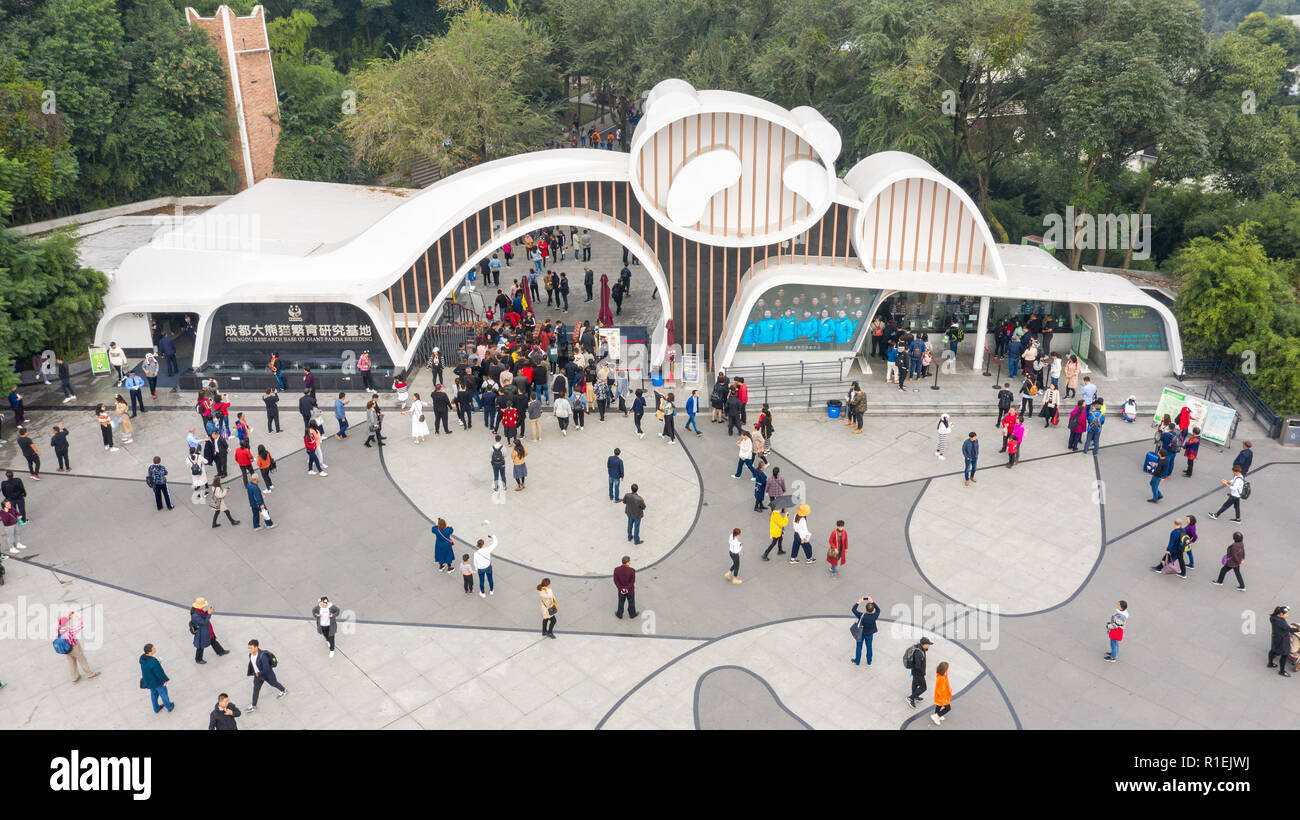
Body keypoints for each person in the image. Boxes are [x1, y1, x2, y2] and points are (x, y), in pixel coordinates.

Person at [245, 639, 287, 711]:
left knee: (274, 683)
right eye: (248, 648)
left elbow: (267, 668)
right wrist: (254, 672)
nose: (249, 650)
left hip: (267, 675)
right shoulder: (250, 655)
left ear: (256, 647)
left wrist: (258, 673)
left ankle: (284, 690)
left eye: (251, 648)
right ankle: (253, 706)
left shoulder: (263, 656)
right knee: (256, 689)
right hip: (258, 676)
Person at [57, 611, 99, 684]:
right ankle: (90, 675)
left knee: (71, 663)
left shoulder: (59, 629)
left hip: (66, 649)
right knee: (82, 659)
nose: (69, 622)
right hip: (74, 647)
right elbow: (81, 626)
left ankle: (75, 679)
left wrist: (68, 615)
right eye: (68, 621)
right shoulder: (69, 631)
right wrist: (79, 617)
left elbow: (62, 622)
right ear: (66, 623)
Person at [190, 597, 229, 662]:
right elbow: (204, 622)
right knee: (200, 646)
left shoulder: (197, 610)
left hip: (207, 630)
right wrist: (209, 614)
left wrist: (207, 612)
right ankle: (198, 659)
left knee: (213, 640)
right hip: (202, 632)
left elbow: (203, 616)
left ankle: (220, 651)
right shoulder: (195, 615)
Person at [139, 644, 174, 713]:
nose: (155, 649)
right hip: (157, 682)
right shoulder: (153, 662)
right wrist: (164, 681)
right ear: (150, 651)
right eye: (153, 648)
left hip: (149, 682)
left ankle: (156, 708)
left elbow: (150, 668)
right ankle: (169, 706)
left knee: (153, 694)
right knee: (163, 694)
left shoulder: (142, 658)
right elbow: (159, 673)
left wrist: (156, 663)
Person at [850, 597, 880, 666]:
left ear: (866, 609)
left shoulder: (861, 615)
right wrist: (872, 602)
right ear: (872, 610)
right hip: (869, 634)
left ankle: (857, 661)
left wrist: (858, 602)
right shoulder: (874, 616)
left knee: (859, 647)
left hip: (861, 634)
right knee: (869, 647)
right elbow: (878, 610)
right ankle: (869, 661)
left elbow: (853, 609)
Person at [1268, 606, 1296, 676]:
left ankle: (1270, 663)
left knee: (1273, 650)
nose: (1287, 615)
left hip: (1275, 637)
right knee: (1285, 654)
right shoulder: (1281, 622)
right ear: (1281, 613)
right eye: (1286, 614)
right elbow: (1289, 629)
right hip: (1282, 640)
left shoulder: (1273, 618)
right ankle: (1282, 671)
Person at [905, 637, 932, 708]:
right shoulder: (919, 653)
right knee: (923, 687)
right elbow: (918, 666)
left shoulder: (920, 647)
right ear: (924, 644)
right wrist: (922, 673)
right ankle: (911, 698)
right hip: (918, 673)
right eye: (928, 644)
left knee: (915, 684)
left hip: (914, 671)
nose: (929, 646)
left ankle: (915, 696)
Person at [473, 533, 498, 597]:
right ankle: (491, 591)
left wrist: (476, 569)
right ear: (483, 544)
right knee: (490, 579)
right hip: (488, 567)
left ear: (478, 545)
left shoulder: (476, 554)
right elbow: (495, 543)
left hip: (480, 569)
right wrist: (493, 537)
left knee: (481, 581)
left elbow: (475, 562)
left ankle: (483, 593)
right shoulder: (487, 549)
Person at [929, 660, 953, 725]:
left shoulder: (943, 675)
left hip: (942, 696)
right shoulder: (941, 679)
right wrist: (944, 698)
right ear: (945, 670)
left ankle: (936, 714)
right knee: (948, 708)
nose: (948, 670)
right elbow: (941, 690)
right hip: (942, 696)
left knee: (939, 705)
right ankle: (936, 716)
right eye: (948, 669)